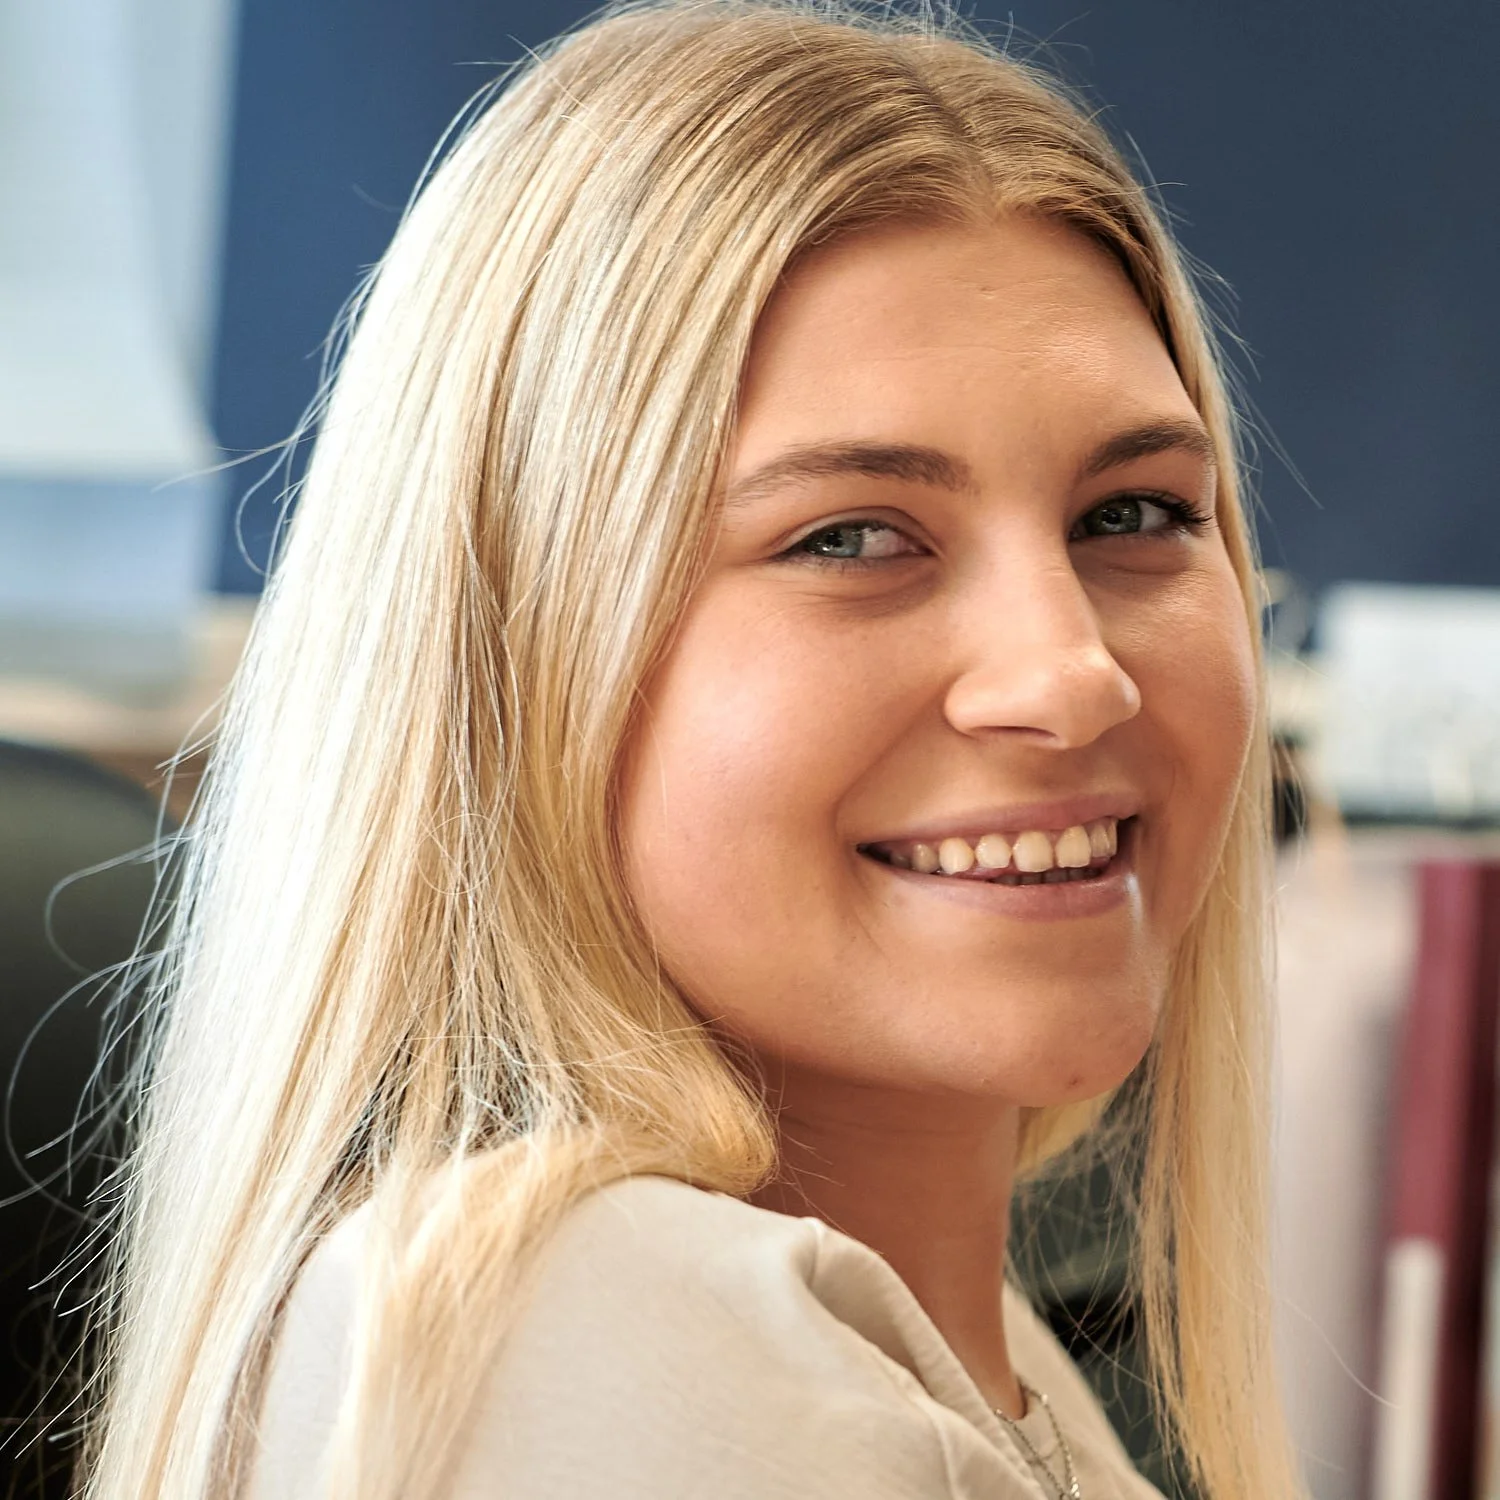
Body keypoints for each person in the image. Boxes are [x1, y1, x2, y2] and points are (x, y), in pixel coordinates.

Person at [78, 3, 1307, 1497]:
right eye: (851, 536)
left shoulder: (950, 1351)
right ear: (522, 654)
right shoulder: (621, 1343)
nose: (1070, 672)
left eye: (1136, 515)